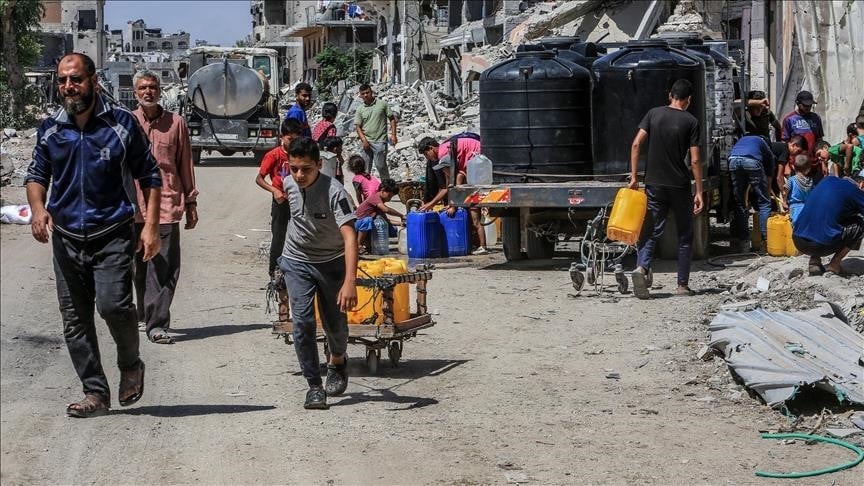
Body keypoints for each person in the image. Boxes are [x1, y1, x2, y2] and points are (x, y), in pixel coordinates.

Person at [25, 53, 159, 417]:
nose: (69, 87)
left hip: (112, 232)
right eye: (64, 81)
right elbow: (36, 175)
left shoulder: (121, 126)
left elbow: (149, 176)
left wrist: (150, 226)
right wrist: (39, 210)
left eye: (76, 79)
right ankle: (95, 393)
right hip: (66, 236)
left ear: (93, 81)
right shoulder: (51, 128)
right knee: (75, 319)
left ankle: (131, 363)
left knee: (114, 305)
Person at [278, 137, 358, 410]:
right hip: (296, 261)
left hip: (331, 262)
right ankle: (314, 386)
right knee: (302, 323)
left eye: (306, 169)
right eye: (294, 168)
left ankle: (337, 359)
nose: (299, 175)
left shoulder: (336, 193)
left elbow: (350, 237)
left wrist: (349, 282)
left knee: (335, 324)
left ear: (319, 166)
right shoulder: (288, 184)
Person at [131, 70, 199, 345]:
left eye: (153, 87)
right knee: (138, 266)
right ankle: (143, 314)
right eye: (143, 88)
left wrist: (191, 201)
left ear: (160, 91)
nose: (148, 92)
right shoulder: (128, 122)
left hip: (168, 205)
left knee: (166, 266)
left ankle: (157, 322)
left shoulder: (176, 123)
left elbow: (185, 164)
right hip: (134, 205)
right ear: (136, 94)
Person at [628, 79, 704, 299]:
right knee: (685, 234)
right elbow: (696, 160)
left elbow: (636, 144)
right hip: (679, 184)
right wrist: (699, 190)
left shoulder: (653, 114)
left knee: (651, 229)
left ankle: (642, 268)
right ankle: (682, 285)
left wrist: (634, 177)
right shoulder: (691, 121)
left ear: (670, 95)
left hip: (654, 182)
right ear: (688, 100)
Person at [416, 134, 488, 255]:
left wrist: (452, 205)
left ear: (431, 148)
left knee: (475, 217)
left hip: (478, 158)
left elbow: (452, 184)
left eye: (425, 154)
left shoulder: (444, 154)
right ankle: (476, 244)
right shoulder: (446, 154)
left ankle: (482, 245)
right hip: (472, 161)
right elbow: (448, 185)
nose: (427, 158)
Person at [256, 119, 304, 282]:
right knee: (279, 236)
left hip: (299, 199)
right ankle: (274, 271)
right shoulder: (274, 155)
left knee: (300, 234)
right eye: (290, 139)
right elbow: (259, 178)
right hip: (281, 200)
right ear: (282, 137)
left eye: (296, 139)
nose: (293, 142)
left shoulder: (300, 153)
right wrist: (274, 190)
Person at [792, 172, 864, 276]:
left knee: (826, 219)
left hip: (798, 240)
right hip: (821, 245)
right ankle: (834, 264)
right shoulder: (854, 191)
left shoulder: (827, 180)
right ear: (862, 184)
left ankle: (814, 261)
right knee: (860, 224)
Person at [727, 134, 778, 251]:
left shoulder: (743, 139)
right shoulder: (764, 144)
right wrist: (767, 190)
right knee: (764, 203)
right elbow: (770, 170)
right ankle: (766, 242)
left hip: (733, 161)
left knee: (740, 203)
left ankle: (743, 242)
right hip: (751, 161)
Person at [354, 84, 397, 180]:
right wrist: (363, 140)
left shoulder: (382, 104)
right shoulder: (360, 109)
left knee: (381, 166)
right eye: (363, 94)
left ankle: (387, 188)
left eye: (367, 92)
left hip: (380, 141)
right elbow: (358, 127)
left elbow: (392, 119)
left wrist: (393, 135)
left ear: (371, 92)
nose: (365, 95)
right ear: (360, 95)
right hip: (367, 142)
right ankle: (366, 189)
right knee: (365, 169)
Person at [354, 178, 405, 253]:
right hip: (356, 225)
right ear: (383, 190)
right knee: (367, 220)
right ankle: (358, 245)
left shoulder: (379, 204)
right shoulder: (375, 197)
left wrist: (400, 224)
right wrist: (401, 215)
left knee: (392, 229)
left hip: (365, 227)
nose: (390, 199)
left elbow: (386, 221)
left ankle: (369, 244)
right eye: (389, 196)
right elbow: (386, 210)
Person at [782, 90, 824, 176]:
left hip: (814, 164)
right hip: (796, 164)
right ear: (798, 103)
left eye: (810, 105)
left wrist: (823, 163)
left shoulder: (816, 118)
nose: (808, 107)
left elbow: (819, 140)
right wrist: (786, 165)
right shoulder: (789, 119)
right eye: (805, 105)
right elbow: (784, 143)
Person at [783, 155, 815, 224]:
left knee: (794, 226)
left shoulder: (792, 179)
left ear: (793, 167)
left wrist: (784, 202)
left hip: (794, 207)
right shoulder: (810, 181)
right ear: (809, 169)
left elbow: (786, 189)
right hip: (807, 207)